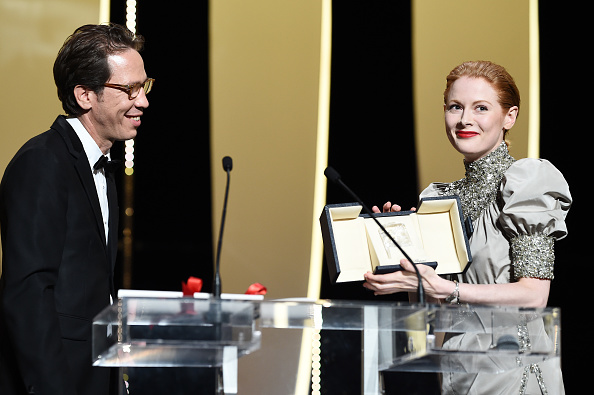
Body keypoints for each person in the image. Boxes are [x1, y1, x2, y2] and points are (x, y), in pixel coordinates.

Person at [364, 61, 571, 394]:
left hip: (512, 366)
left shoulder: (527, 183)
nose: (464, 120)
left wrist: (450, 290)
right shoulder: (438, 198)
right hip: (456, 366)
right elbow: (436, 309)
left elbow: (534, 296)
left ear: (509, 117)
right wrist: (405, 258)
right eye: (455, 107)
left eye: (481, 108)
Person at [0, 23, 153, 395]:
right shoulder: (42, 162)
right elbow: (29, 293)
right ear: (85, 94)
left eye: (144, 86)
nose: (144, 101)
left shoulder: (102, 167)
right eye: (129, 89)